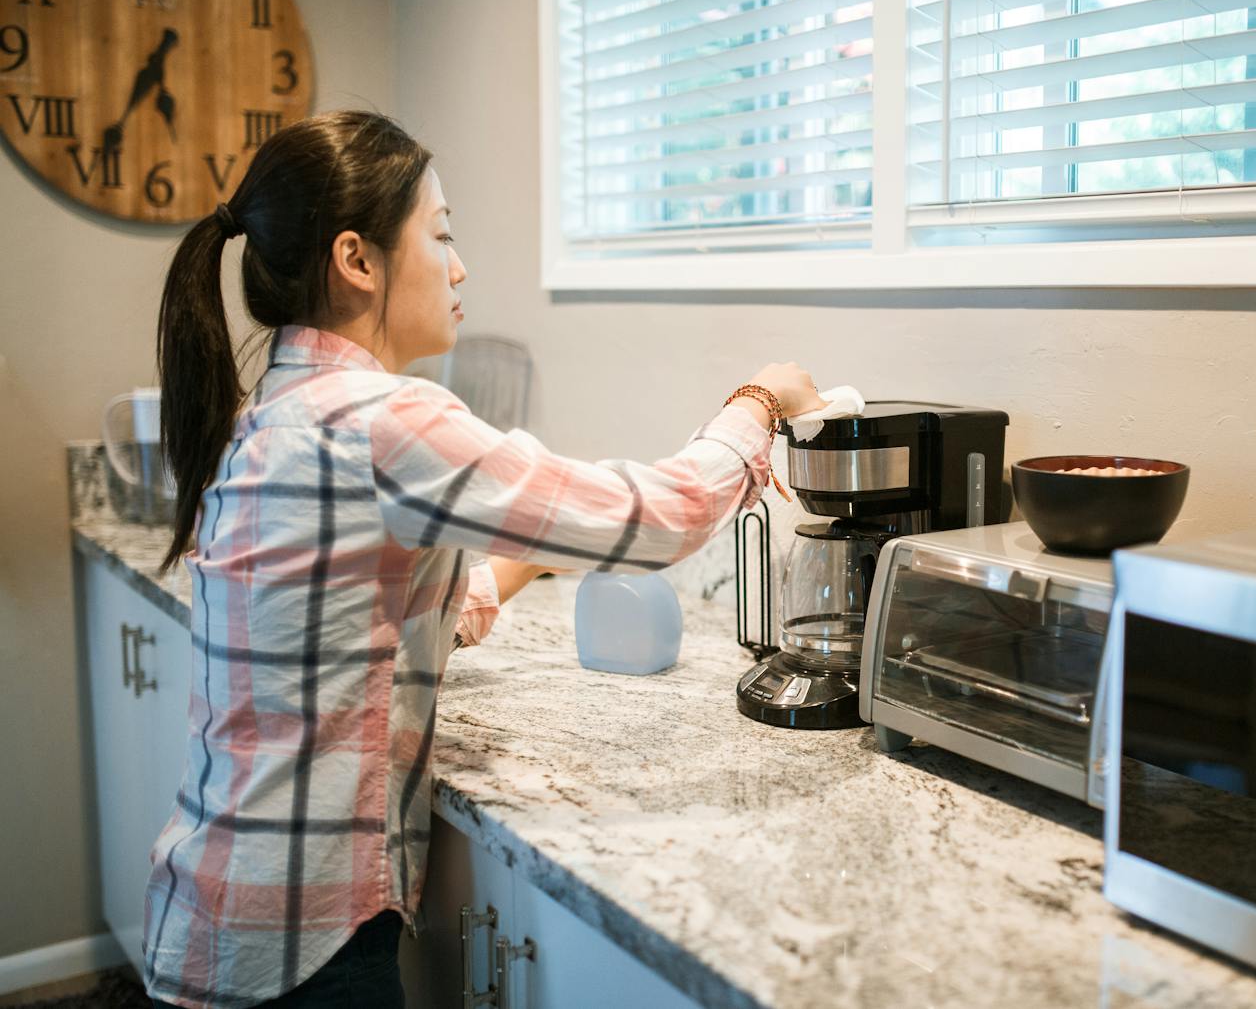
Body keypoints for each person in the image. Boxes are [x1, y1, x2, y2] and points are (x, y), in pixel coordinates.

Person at [143, 110, 822, 1008]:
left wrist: (531, 556)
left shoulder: (271, 410)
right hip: (305, 950)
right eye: (440, 234)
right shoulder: (382, 420)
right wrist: (760, 400)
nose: (458, 266)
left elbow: (359, 629)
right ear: (356, 260)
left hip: (212, 912)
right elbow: (662, 514)